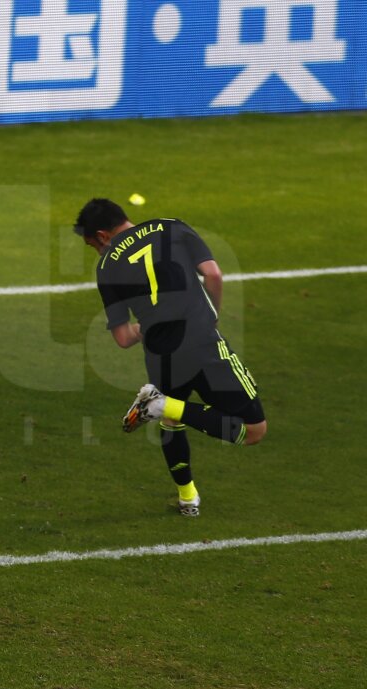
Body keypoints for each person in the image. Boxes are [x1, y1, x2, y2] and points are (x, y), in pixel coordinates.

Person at [75, 198, 267, 517]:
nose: (97, 252)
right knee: (254, 431)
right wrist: (212, 315)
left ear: (103, 235)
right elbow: (213, 274)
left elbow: (123, 338)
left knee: (172, 420)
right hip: (204, 344)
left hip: (160, 353)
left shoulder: (107, 268)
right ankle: (161, 403)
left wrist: (146, 325)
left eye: (92, 245)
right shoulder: (172, 226)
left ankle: (187, 496)